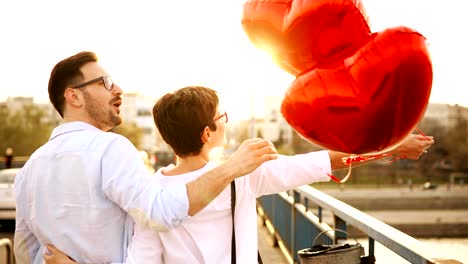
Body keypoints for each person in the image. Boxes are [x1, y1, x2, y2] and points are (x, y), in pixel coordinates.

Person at [44, 86, 434, 264]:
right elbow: (322, 163)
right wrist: (391, 148)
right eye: (221, 118)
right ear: (207, 133)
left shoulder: (152, 194)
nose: (226, 123)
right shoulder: (242, 176)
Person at [14, 52, 278, 264]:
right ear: (74, 96)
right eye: (104, 83)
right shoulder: (110, 148)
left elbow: (25, 250)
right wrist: (231, 168)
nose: (117, 89)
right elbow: (159, 214)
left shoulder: (30, 168)